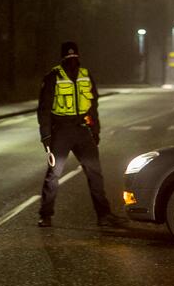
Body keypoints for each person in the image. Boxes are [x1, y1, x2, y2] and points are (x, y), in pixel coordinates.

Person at [36, 41, 126, 228]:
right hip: (61, 131)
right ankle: (45, 215)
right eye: (68, 56)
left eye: (74, 56)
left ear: (78, 55)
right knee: (54, 174)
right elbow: (44, 109)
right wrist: (46, 136)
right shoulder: (53, 77)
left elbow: (93, 106)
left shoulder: (86, 75)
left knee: (95, 174)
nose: (72, 59)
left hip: (83, 130)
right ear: (63, 57)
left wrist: (95, 130)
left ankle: (104, 216)